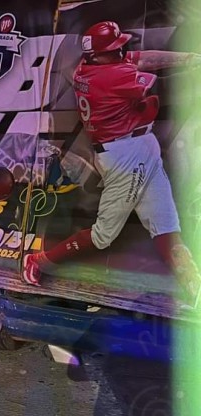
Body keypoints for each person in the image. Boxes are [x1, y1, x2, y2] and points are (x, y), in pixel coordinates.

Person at [23, 21, 201, 307]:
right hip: (125, 156)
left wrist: (189, 59)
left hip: (138, 147)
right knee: (103, 236)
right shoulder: (111, 76)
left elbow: (143, 58)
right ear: (100, 55)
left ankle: (193, 286)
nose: (123, 51)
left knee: (166, 226)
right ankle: (39, 261)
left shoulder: (91, 66)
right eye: (115, 48)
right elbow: (166, 85)